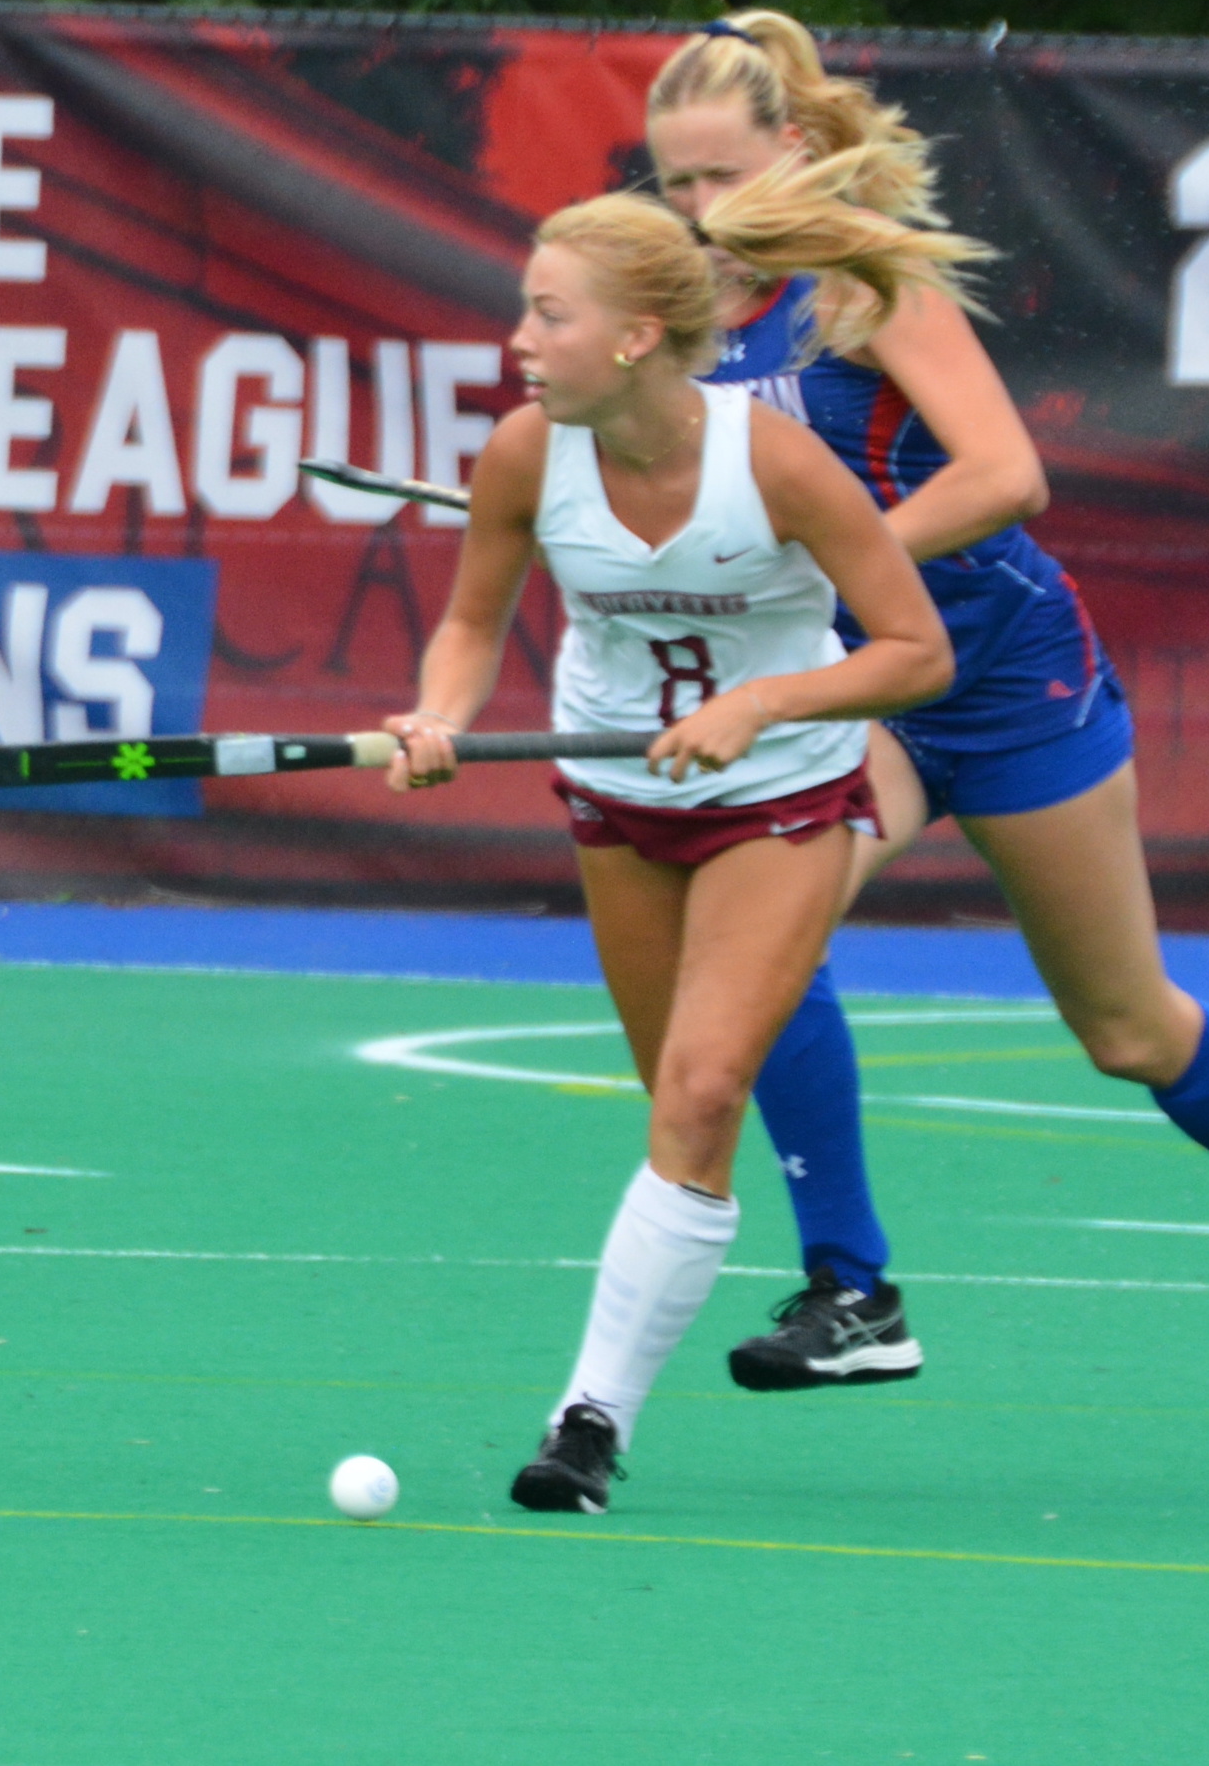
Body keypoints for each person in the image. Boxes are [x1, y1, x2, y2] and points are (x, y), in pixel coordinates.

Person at [644, 12, 1209, 1404]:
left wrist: (841, 561)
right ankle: (852, 1288)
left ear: (796, 149)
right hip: (861, 688)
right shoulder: (683, 319)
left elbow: (1006, 474)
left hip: (1003, 673)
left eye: (721, 175)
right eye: (673, 181)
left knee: (1128, 1030)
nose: (699, 209)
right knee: (769, 944)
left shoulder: (864, 284)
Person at [382, 179, 956, 1512]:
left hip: (780, 799)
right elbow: (470, 624)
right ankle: (632, 1367)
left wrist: (761, 702)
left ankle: (584, 1426)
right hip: (616, 799)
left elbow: (914, 652)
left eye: (549, 315)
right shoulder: (526, 455)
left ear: (637, 336)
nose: (520, 341)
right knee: (676, 1110)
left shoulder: (778, 464)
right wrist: (437, 716)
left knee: (701, 1092)